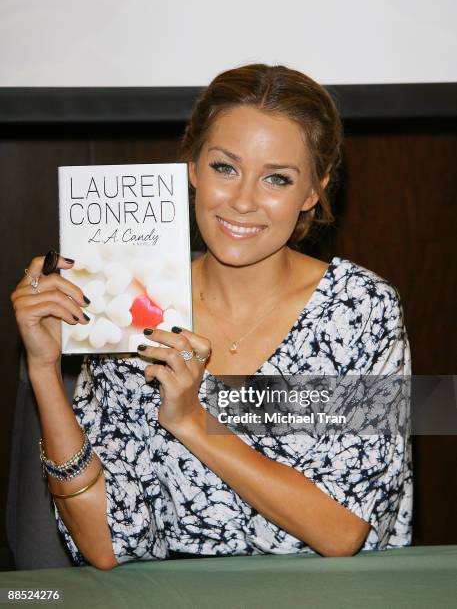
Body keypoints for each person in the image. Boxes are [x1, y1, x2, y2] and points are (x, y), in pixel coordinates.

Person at [11, 64, 412, 570]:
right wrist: (44, 369)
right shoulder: (136, 303)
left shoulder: (360, 309)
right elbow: (105, 547)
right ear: (194, 170)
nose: (243, 201)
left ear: (313, 191)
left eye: (277, 178)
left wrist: (193, 423)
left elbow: (340, 531)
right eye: (225, 167)